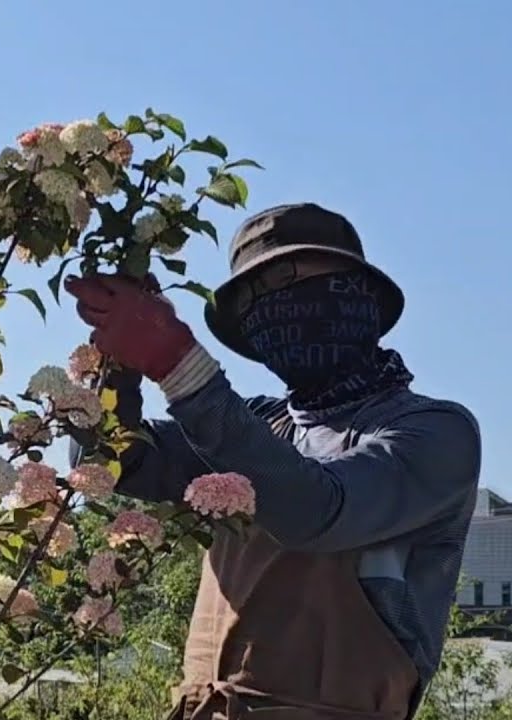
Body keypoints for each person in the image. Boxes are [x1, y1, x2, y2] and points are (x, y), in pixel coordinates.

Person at [64, 203, 482, 719]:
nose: (273, 303)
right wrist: (116, 367)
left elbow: (315, 510)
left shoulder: (436, 433)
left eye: (289, 277)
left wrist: (176, 363)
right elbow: (112, 466)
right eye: (253, 297)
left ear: (360, 294)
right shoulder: (253, 426)